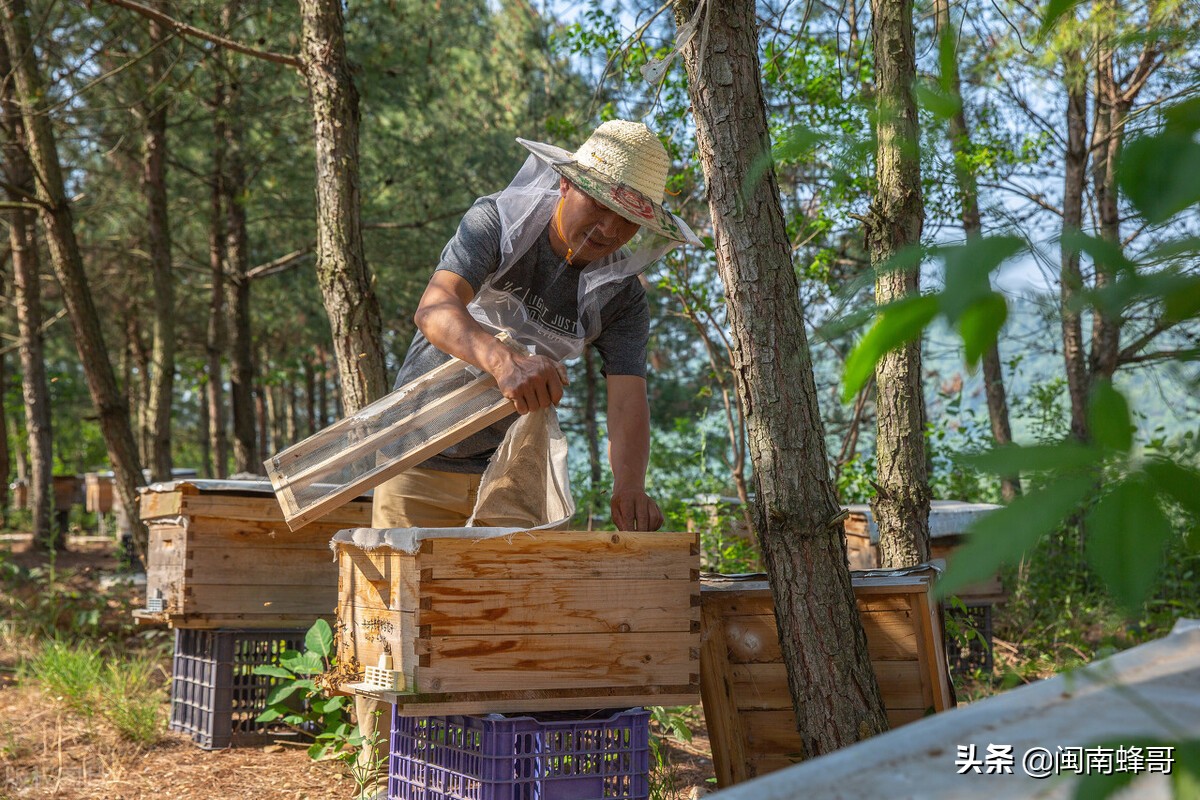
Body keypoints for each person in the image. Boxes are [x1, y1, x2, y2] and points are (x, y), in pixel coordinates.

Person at [370, 118, 701, 534]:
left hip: (517, 476)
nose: (609, 229)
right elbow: (435, 309)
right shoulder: (497, 222)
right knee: (406, 597)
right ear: (565, 183)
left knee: (520, 598)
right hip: (418, 458)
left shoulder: (623, 295)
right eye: (599, 204)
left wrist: (630, 485)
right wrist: (504, 361)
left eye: (627, 219)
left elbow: (627, 400)